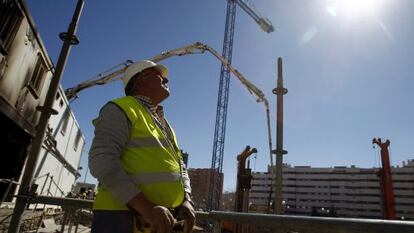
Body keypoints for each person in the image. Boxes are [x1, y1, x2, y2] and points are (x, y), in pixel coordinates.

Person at [89, 60, 195, 233]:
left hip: (160, 219)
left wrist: (187, 199)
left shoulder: (164, 123)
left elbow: (181, 166)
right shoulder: (120, 108)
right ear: (142, 79)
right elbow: (101, 161)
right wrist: (146, 207)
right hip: (120, 218)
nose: (166, 81)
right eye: (160, 76)